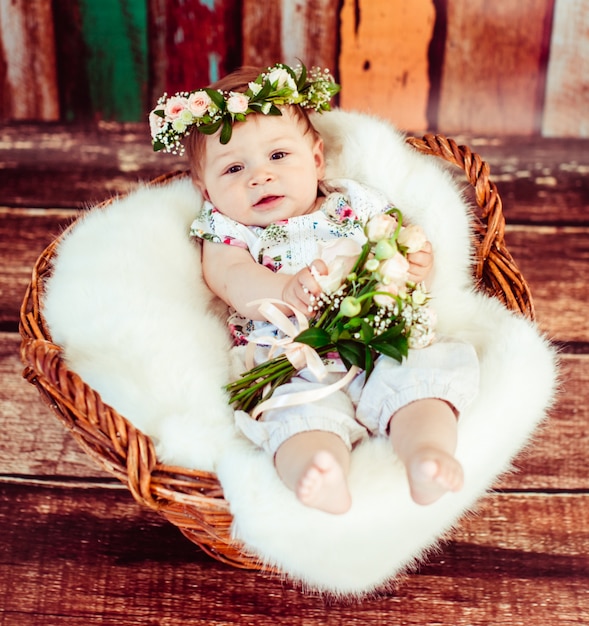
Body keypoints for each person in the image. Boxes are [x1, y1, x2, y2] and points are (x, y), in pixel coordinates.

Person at [150, 63, 479, 515]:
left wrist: (416, 264)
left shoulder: (354, 201)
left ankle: (425, 452)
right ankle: (320, 469)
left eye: (279, 156)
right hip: (295, 352)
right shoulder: (226, 230)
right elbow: (228, 277)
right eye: (234, 168)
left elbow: (395, 246)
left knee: (422, 375)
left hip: (379, 332)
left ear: (317, 159)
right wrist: (283, 290)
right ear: (203, 188)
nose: (259, 177)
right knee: (294, 413)